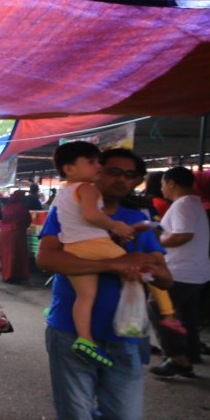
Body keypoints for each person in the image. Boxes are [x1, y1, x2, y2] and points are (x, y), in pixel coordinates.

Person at [36, 149, 173, 420]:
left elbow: (164, 281)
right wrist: (115, 264)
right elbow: (48, 259)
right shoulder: (69, 208)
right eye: (110, 170)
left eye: (130, 175)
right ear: (93, 172)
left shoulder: (137, 220)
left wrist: (153, 267)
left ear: (137, 182)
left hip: (124, 336)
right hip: (69, 333)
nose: (118, 179)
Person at [49, 142, 137, 368]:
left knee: (85, 297)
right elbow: (91, 215)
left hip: (72, 247)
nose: (98, 166)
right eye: (92, 162)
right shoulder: (87, 189)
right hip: (95, 243)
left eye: (99, 161)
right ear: (69, 169)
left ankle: (85, 339)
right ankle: (166, 313)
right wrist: (115, 225)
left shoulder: (63, 193)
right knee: (135, 267)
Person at [150, 167, 210, 379]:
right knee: (187, 315)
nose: (162, 188)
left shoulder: (183, 204)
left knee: (157, 307)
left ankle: (177, 358)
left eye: (162, 183)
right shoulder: (193, 202)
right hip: (195, 271)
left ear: (172, 183)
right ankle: (192, 354)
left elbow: (183, 235)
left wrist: (158, 242)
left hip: (181, 271)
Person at [0, 189, 32, 283]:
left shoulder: (4, 208)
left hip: (4, 234)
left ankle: (7, 275)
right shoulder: (22, 208)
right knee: (18, 255)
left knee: (6, 256)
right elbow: (28, 221)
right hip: (18, 234)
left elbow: (0, 220)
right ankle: (17, 276)